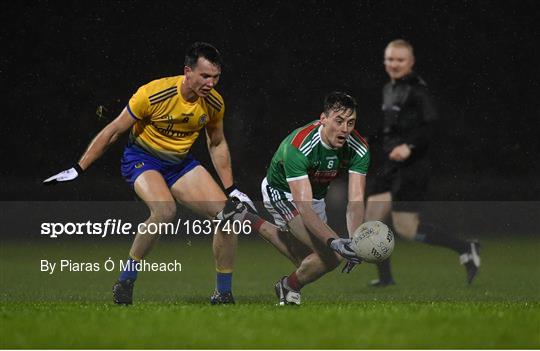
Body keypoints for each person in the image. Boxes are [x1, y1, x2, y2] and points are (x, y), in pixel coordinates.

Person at [43, 42, 259, 305]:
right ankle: (125, 281)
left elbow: (216, 143)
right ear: (187, 71)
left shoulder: (213, 102)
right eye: (204, 76)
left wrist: (231, 189)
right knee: (165, 211)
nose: (210, 83)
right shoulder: (153, 93)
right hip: (142, 160)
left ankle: (223, 294)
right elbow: (113, 131)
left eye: (215, 77)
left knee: (228, 217)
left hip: (179, 165)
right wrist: (79, 168)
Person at [364, 39, 481, 286]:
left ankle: (465, 247)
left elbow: (431, 125)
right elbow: (389, 128)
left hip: (413, 167)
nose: (394, 64)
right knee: (372, 223)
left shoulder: (418, 90)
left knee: (406, 228)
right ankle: (386, 279)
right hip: (389, 165)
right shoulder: (389, 88)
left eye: (400, 60)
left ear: (411, 62)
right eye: (390, 59)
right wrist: (366, 139)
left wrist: (410, 146)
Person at [258, 91, 369, 305]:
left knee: (313, 261)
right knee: (330, 255)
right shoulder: (298, 147)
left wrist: (356, 242)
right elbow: (304, 210)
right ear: (323, 119)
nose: (345, 129)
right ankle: (289, 286)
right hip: (281, 192)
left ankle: (248, 219)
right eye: (338, 121)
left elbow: (355, 201)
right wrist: (335, 242)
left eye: (351, 122)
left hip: (315, 197)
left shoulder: (359, 149)